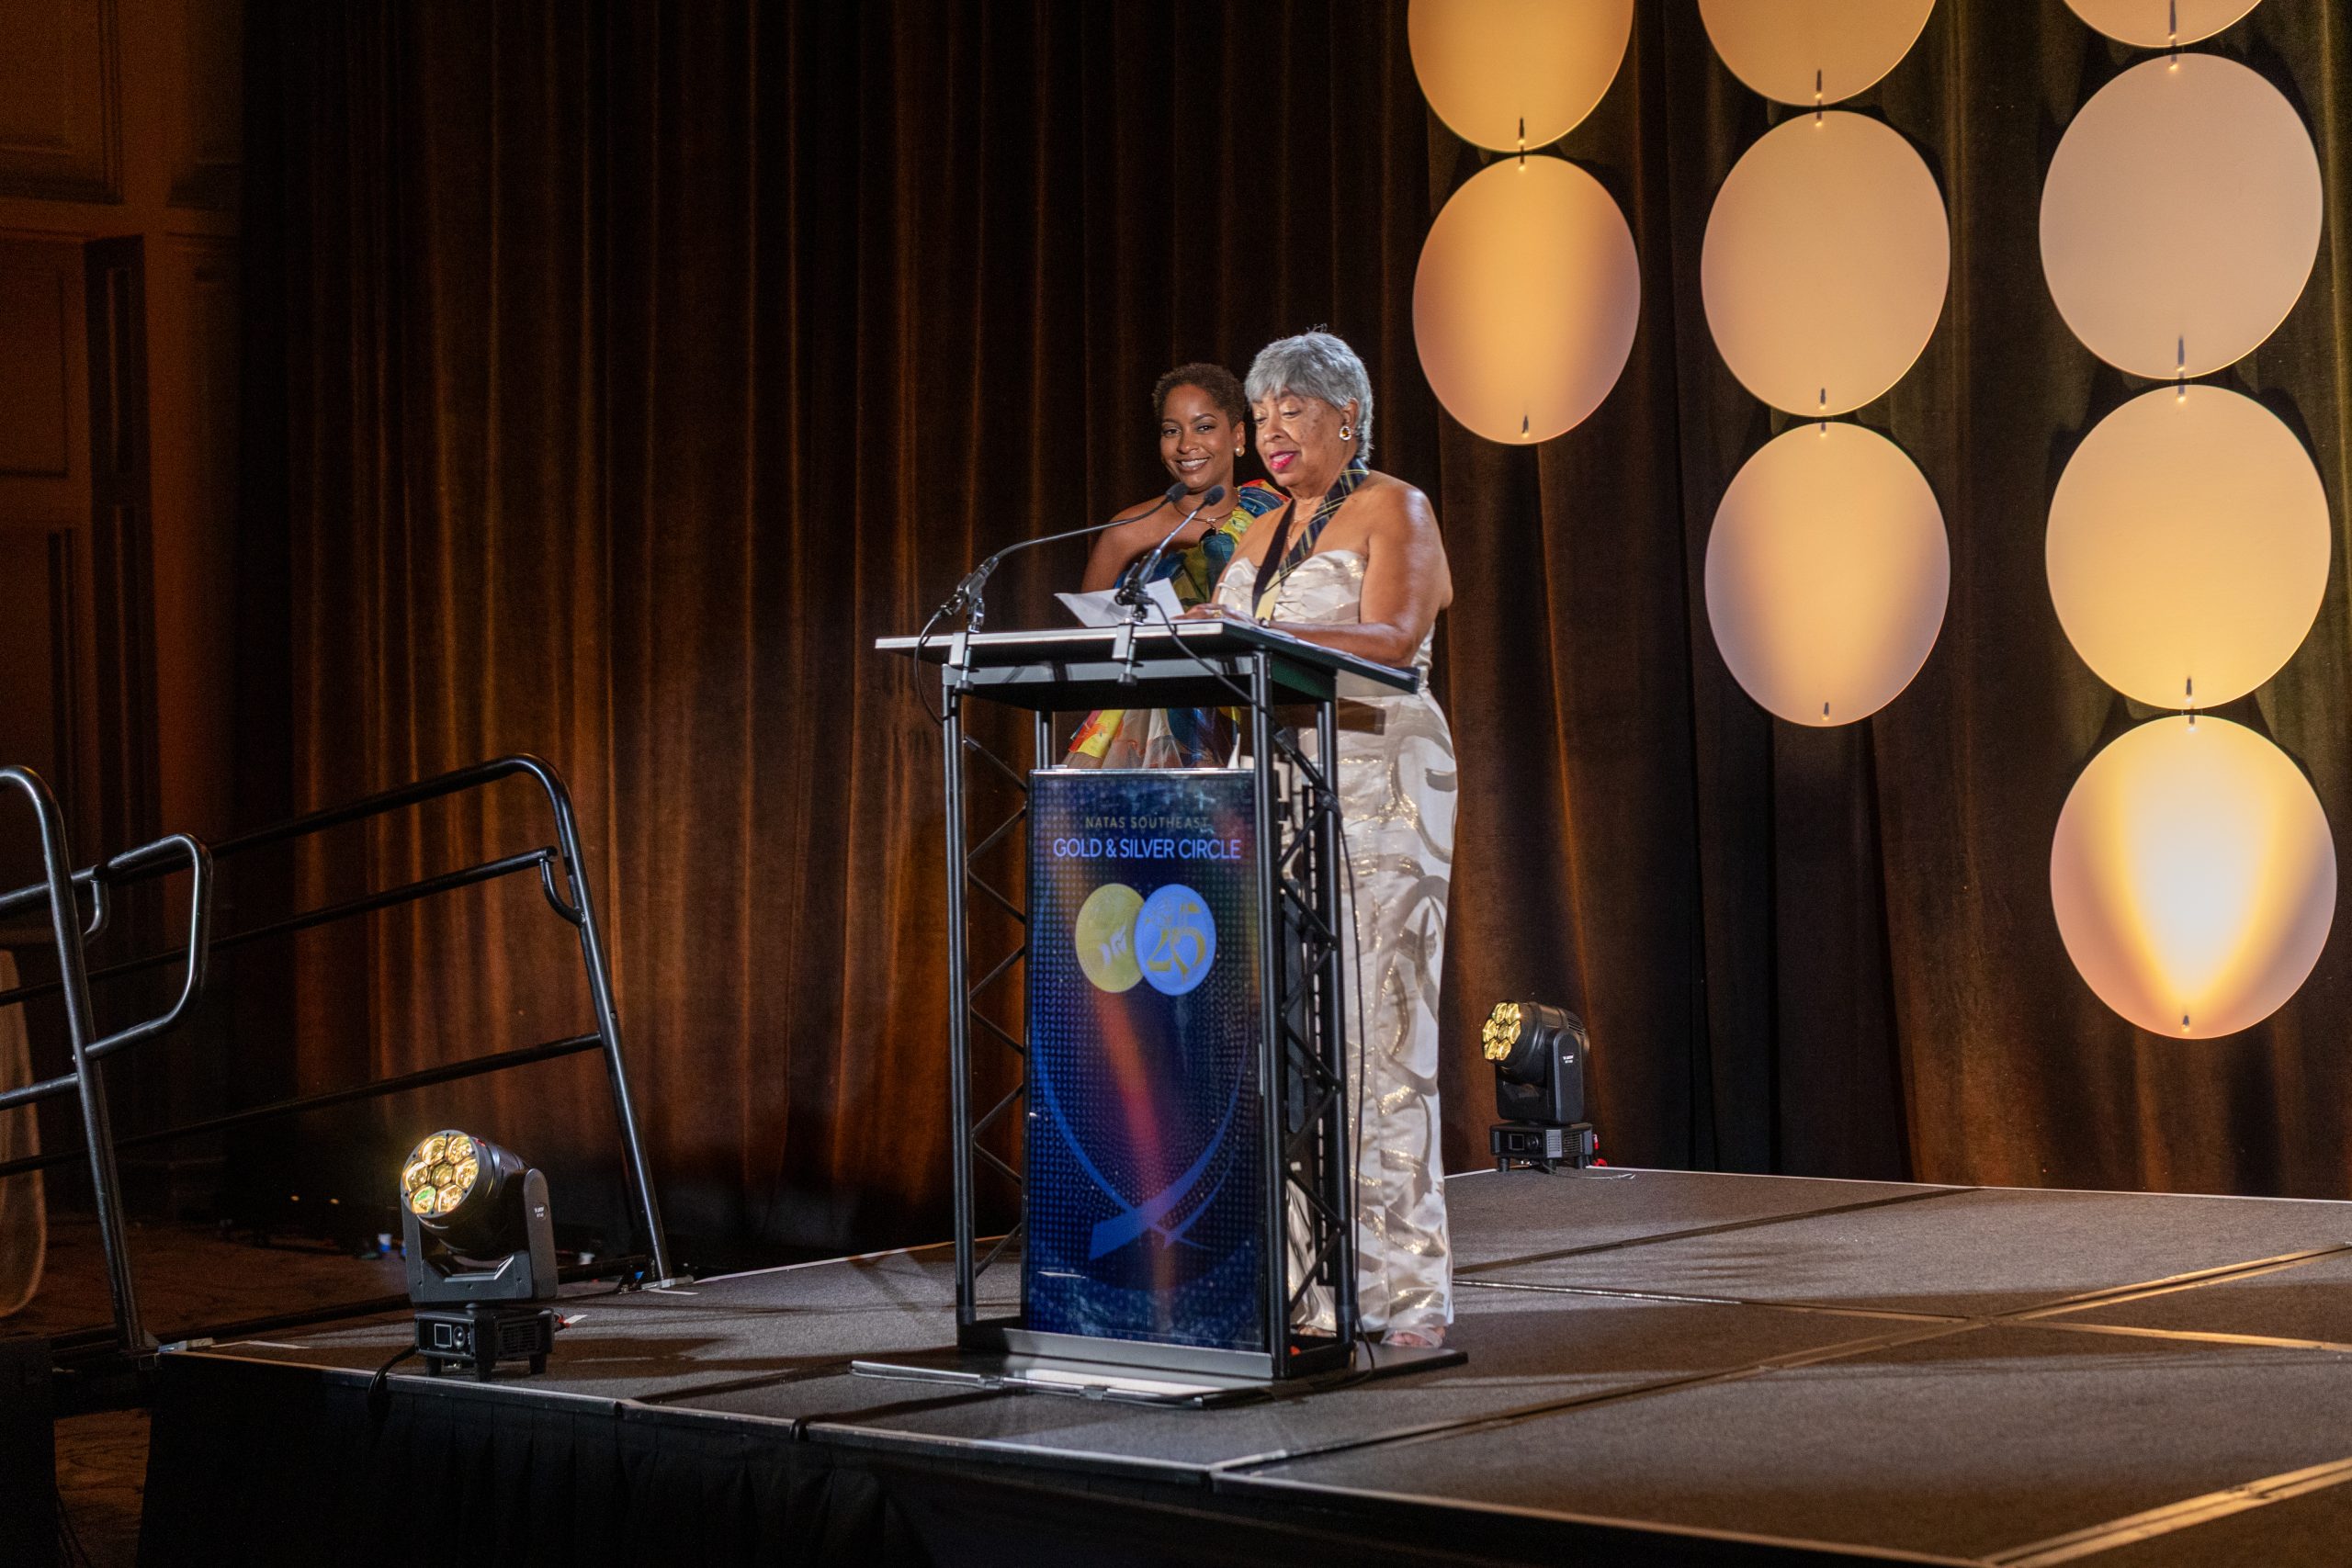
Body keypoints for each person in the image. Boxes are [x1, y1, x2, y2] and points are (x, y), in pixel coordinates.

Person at [1186, 330, 1457, 1348]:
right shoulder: (1257, 533)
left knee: (1377, 1030)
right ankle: (1306, 1286)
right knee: (1287, 1042)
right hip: (1273, 781)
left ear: (1347, 415)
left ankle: (1402, 1291)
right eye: (1261, 416)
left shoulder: (1395, 507)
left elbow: (1392, 637)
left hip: (1378, 773)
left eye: (1293, 410)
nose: (1272, 431)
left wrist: (1256, 637)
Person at [1065, 364, 1285, 768]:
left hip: (1262, 708)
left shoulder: (1277, 517)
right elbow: (1086, 639)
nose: (1186, 445)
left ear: (1238, 436)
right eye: (1171, 431)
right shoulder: (1129, 530)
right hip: (1143, 725)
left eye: (1204, 427)